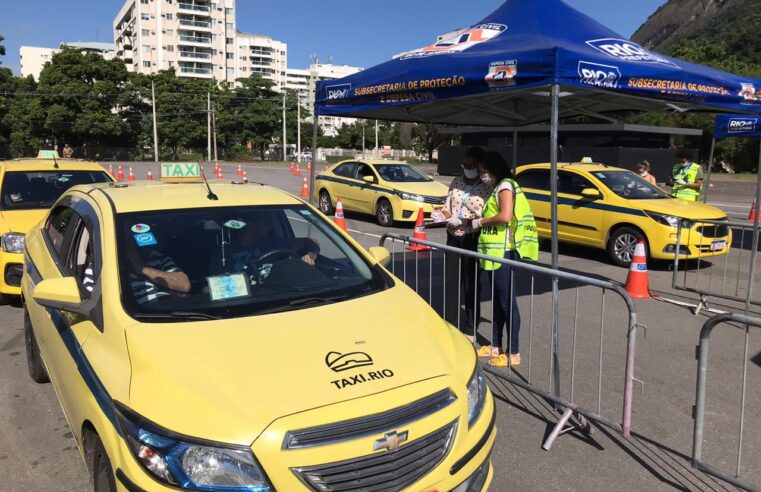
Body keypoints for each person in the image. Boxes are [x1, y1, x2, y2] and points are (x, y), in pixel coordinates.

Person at [470, 152, 539, 367]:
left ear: (495, 170)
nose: (482, 176)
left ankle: (513, 352)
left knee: (507, 303)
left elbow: (505, 216)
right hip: (492, 253)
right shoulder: (497, 187)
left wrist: (480, 222)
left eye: (484, 172)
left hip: (503, 252)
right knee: (499, 302)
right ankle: (496, 345)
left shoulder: (506, 186)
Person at [436, 147, 491, 342]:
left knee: (471, 285)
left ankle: (470, 328)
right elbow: (446, 206)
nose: (467, 168)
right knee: (451, 283)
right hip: (453, 236)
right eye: (464, 165)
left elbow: (486, 215)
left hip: (472, 238)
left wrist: (465, 221)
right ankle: (450, 324)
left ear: (478, 166)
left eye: (471, 165)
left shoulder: (486, 187)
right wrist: (445, 216)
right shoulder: (456, 181)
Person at [126, 238, 191, 304]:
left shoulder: (157, 257)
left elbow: (184, 285)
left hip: (167, 308)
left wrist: (143, 269)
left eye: (130, 239)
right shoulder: (116, 266)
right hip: (135, 312)